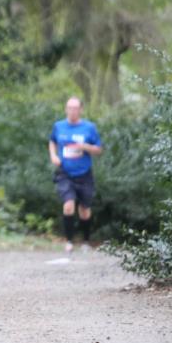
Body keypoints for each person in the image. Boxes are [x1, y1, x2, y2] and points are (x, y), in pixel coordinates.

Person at [48, 97, 103, 253]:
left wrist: (85, 147)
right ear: (66, 109)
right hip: (65, 172)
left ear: (81, 110)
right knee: (68, 205)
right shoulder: (58, 126)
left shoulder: (89, 128)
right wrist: (53, 156)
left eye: (75, 108)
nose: (72, 111)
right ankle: (69, 241)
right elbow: (52, 141)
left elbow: (99, 150)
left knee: (84, 209)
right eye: (69, 108)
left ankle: (86, 241)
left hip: (84, 173)